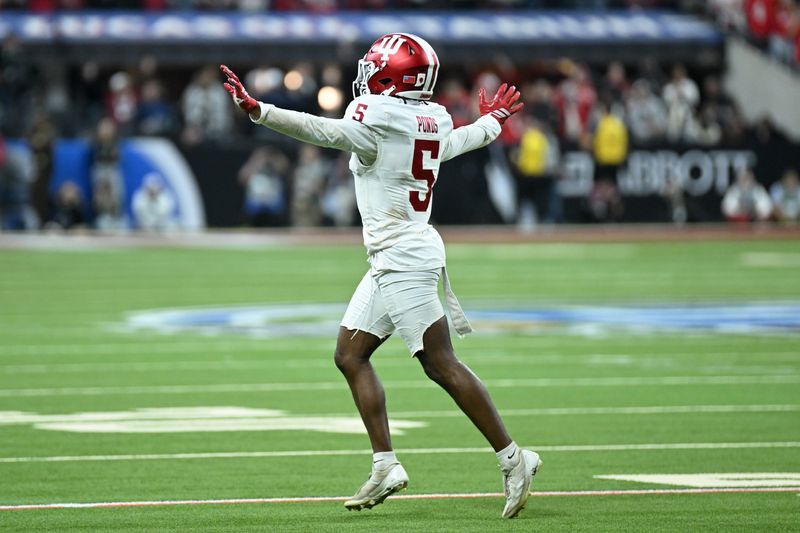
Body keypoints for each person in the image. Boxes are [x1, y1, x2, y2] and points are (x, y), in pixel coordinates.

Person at [220, 33, 541, 519]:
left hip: (403, 257)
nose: (366, 74)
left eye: (375, 67)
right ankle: (386, 463)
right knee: (350, 354)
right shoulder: (428, 117)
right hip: (398, 252)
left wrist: (259, 110)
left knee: (440, 364)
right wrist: (493, 121)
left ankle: (515, 459)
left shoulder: (379, 118)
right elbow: (456, 142)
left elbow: (322, 131)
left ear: (393, 75)